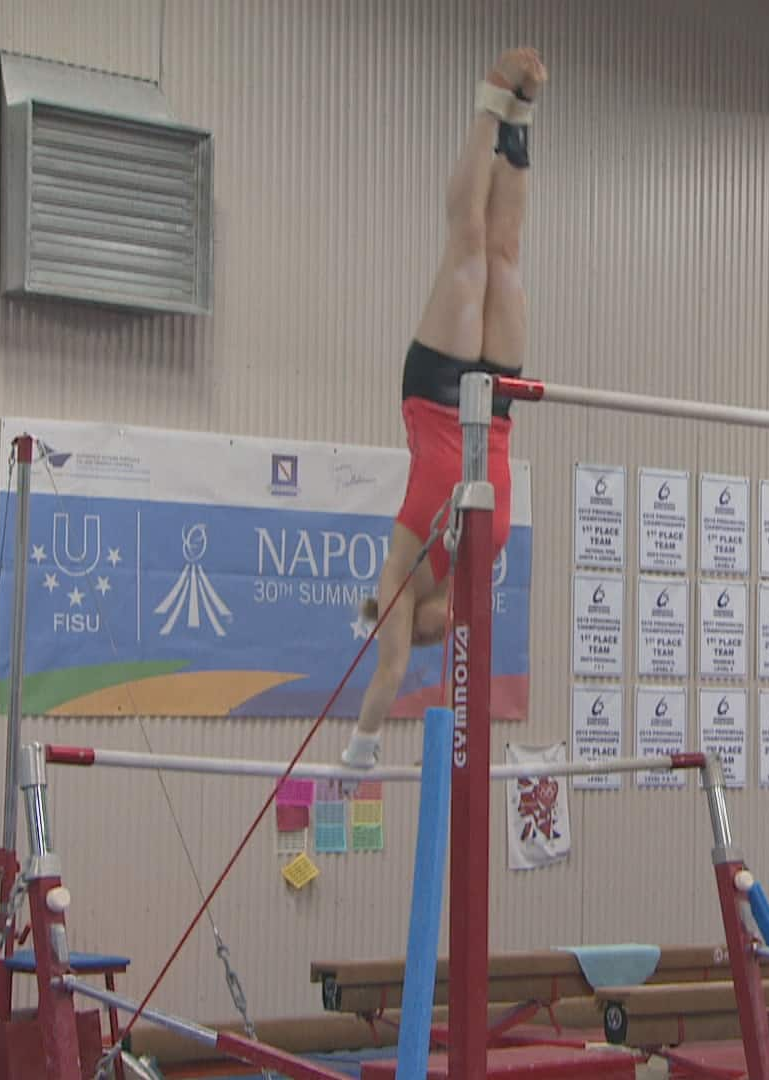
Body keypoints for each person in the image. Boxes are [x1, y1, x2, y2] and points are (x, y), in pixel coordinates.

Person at [341, 48, 547, 769]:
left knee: (468, 247)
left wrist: (360, 749)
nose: (435, 627)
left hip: (437, 396)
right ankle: (518, 121)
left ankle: (491, 101)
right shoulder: (464, 599)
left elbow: (390, 671)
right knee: (507, 252)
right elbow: (410, 657)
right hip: (493, 410)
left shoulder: (400, 584)